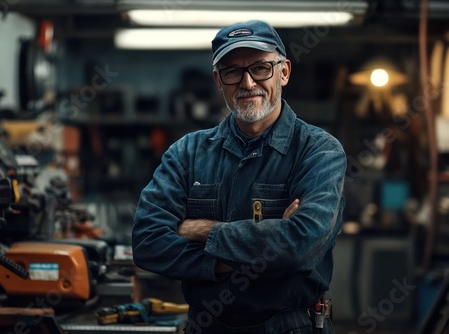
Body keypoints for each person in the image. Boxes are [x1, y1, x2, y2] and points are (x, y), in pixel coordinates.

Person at [132, 20, 346, 334]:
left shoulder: (320, 152)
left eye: (261, 68)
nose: (247, 83)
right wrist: (250, 257)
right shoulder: (187, 153)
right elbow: (147, 242)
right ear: (219, 80)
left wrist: (200, 230)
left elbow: (301, 244)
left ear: (283, 72)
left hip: (292, 326)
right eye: (233, 71)